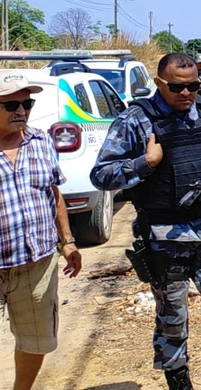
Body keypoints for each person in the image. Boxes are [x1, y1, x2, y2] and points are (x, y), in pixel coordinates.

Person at [91, 53, 201, 390]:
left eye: (193, 86)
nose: (186, 93)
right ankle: (180, 385)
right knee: (172, 321)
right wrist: (145, 163)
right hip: (162, 236)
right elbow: (101, 176)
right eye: (178, 87)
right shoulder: (136, 120)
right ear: (158, 83)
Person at [0, 73, 83, 390]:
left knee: (36, 341)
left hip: (37, 264)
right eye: (11, 104)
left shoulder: (41, 142)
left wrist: (68, 242)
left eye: (26, 103)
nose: (20, 110)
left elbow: (54, 194)